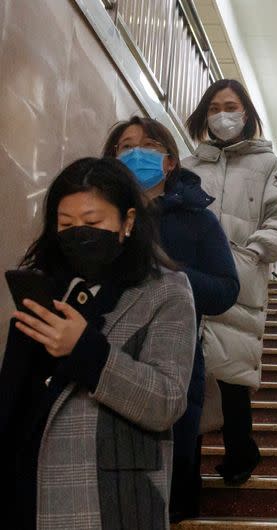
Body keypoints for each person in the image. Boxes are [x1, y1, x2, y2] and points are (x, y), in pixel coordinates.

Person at [0, 157, 196, 529]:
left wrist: (87, 352)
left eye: (92, 223)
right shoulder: (45, 287)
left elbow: (167, 401)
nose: (78, 234)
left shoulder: (165, 291)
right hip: (25, 492)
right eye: (66, 224)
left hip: (111, 501)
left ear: (128, 222)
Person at [102, 116, 240, 521]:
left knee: (171, 490)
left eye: (147, 146)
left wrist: (166, 275)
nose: (135, 154)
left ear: (169, 161)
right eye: (125, 147)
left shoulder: (198, 220)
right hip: (100, 357)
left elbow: (225, 291)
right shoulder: (96, 214)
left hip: (174, 365)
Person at [183, 79, 277, 486]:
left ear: (247, 113)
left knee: (232, 374)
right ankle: (186, 470)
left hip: (237, 280)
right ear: (204, 115)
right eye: (214, 107)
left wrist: (250, 254)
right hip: (189, 283)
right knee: (188, 373)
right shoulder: (187, 167)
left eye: (230, 106)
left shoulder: (266, 164)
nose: (223, 115)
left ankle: (240, 453)